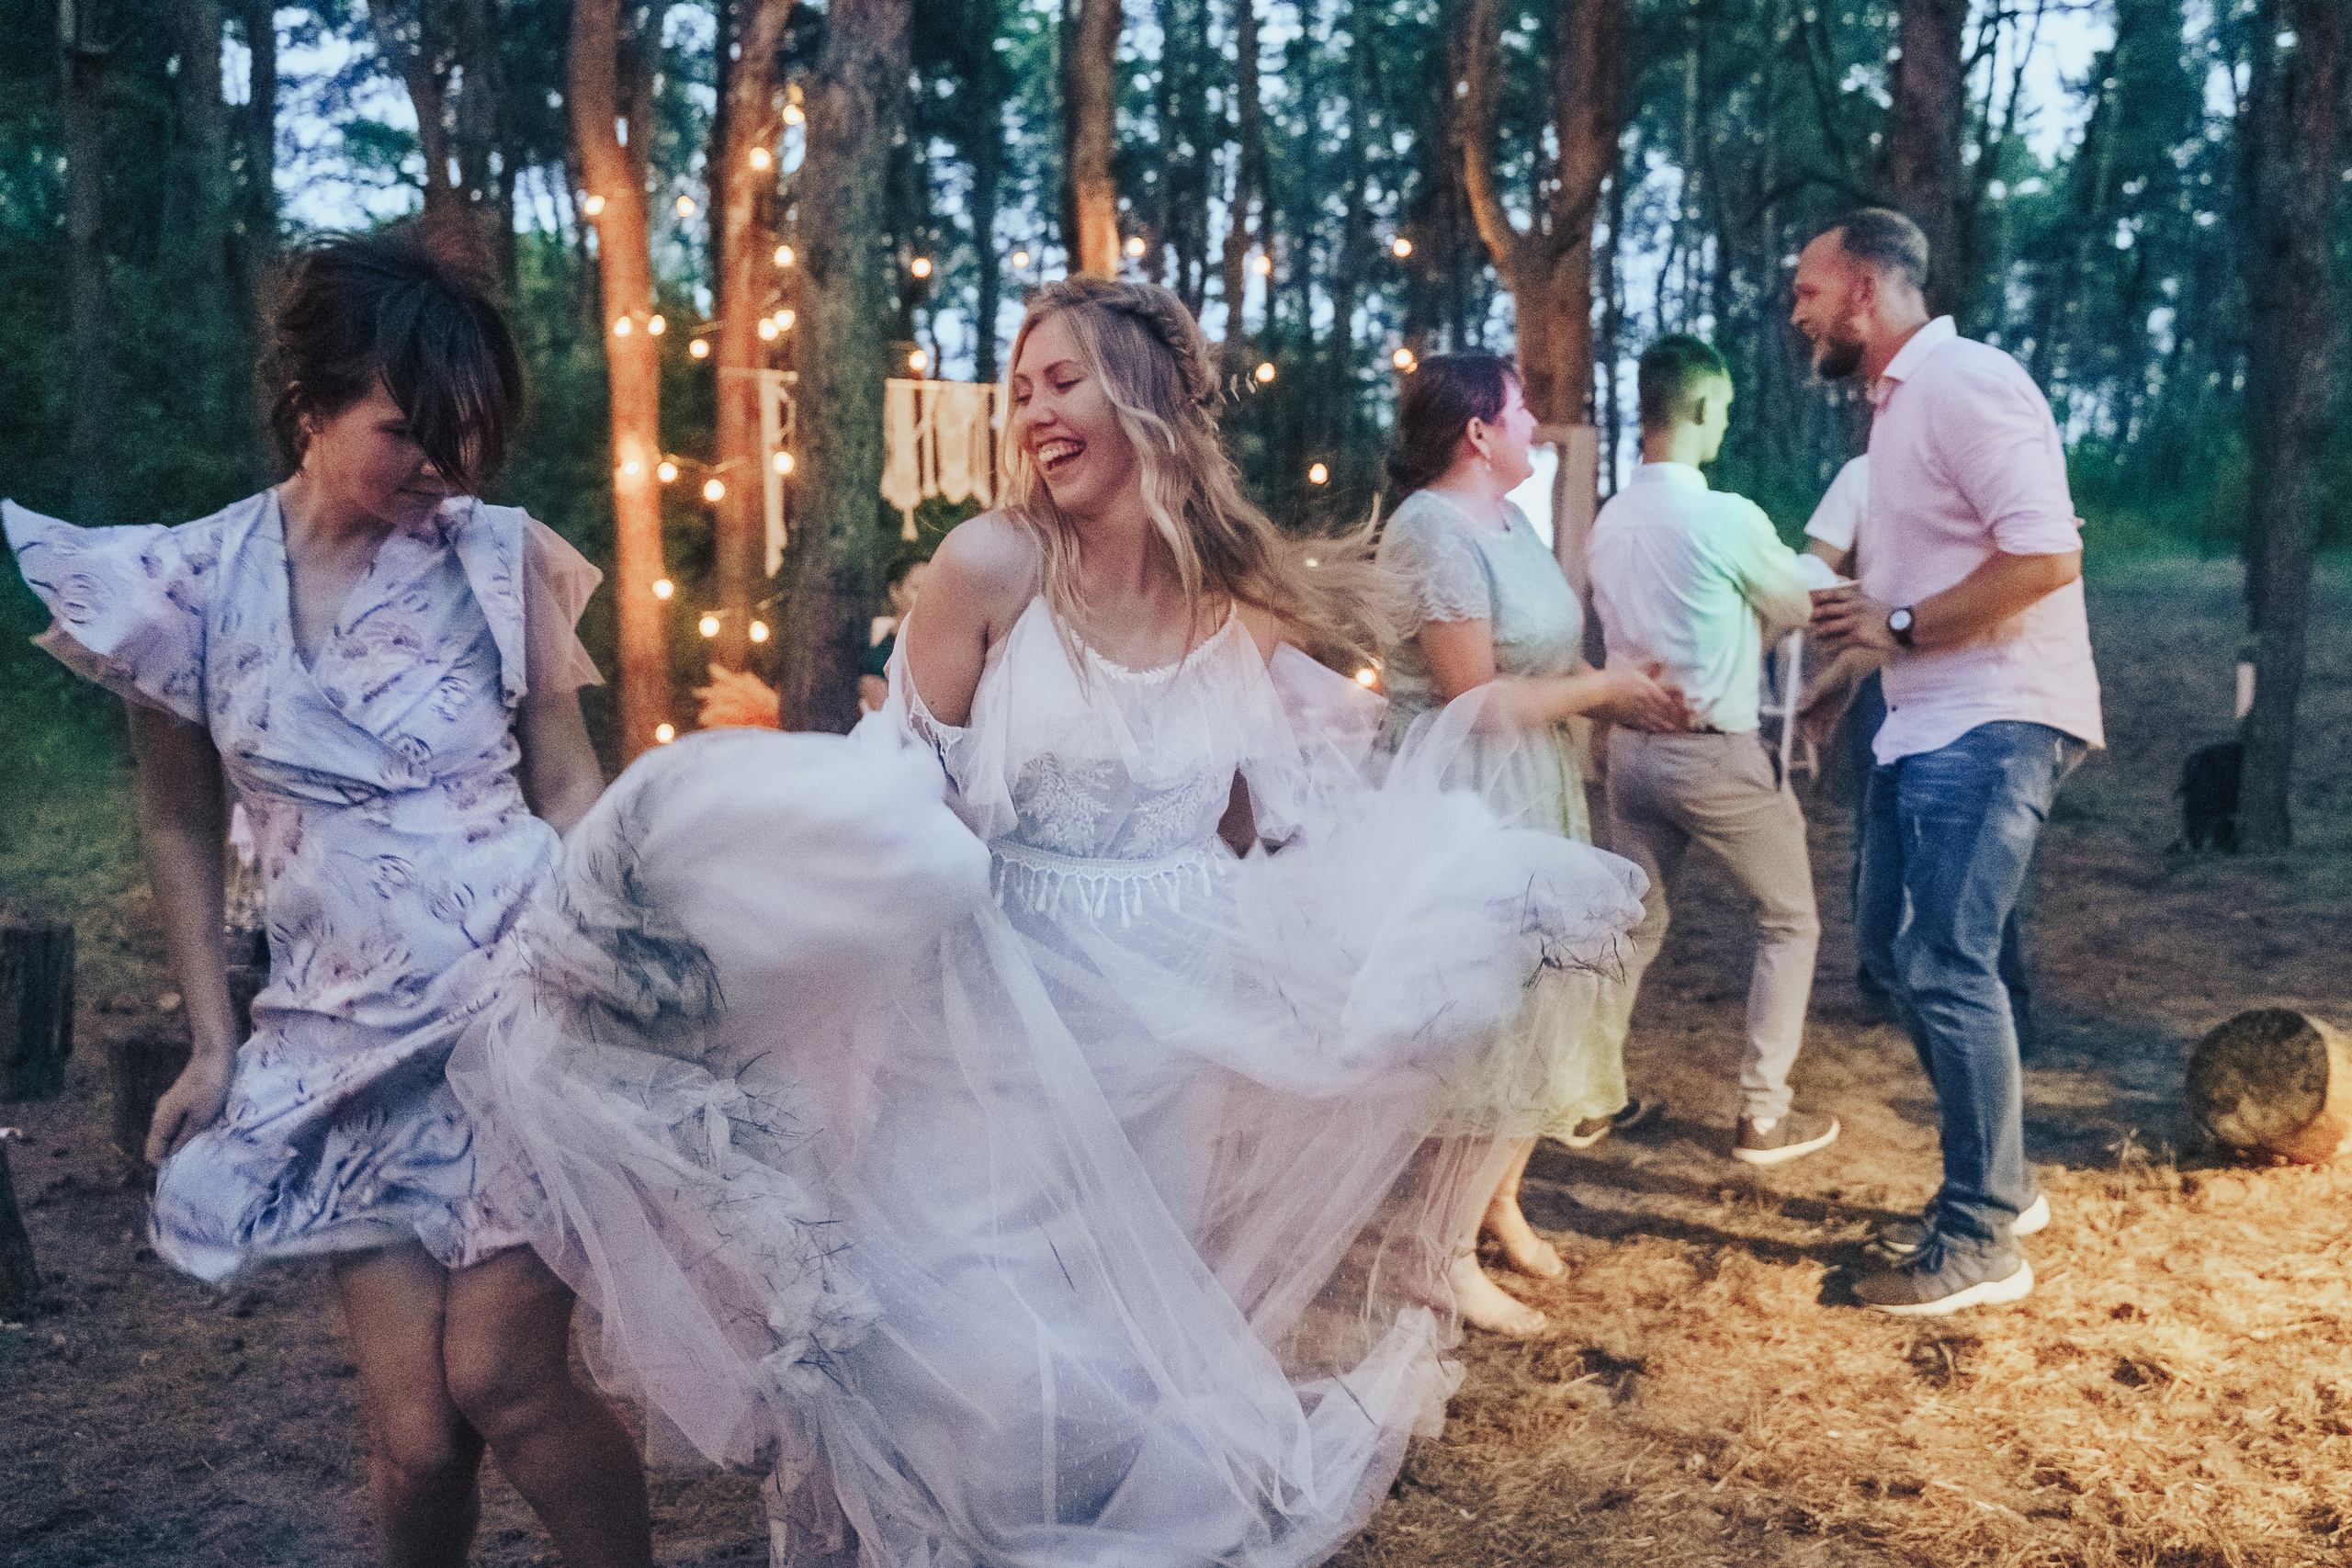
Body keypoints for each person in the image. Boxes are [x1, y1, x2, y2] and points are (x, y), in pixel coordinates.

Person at [450, 279, 1647, 1565]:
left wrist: (1396, 927)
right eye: (1021, 390)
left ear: (1148, 395)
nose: (1033, 412)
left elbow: (1267, 820)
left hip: (1168, 1025)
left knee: (1119, 1342)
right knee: (955, 1332)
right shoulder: (988, 567)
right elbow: (891, 784)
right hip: (987, 1016)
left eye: (1061, 381)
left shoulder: (1239, 594)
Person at [2, 226, 653, 1566]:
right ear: (309, 407)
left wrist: (623, 944)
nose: (446, 470)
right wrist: (212, 1035)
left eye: (470, 437)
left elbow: (572, 783)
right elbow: (179, 814)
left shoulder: (501, 554)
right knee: (413, 1444)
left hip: (518, 1009)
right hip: (340, 1037)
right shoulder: (180, 584)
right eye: (410, 432)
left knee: (508, 1383)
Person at [1795, 208, 2101, 1315]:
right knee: (1887, 956)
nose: (1799, 313)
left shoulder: (1966, 381)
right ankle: (2003, 1187)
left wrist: (1907, 628)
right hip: (1917, 721)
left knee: (1946, 960)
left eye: (1808, 291)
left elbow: (2047, 554)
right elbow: (1894, 597)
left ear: (1866, 289)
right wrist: (1846, 680)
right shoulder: (1896, 411)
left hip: (1996, 717)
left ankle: (1978, 1238)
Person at [1372, 352, 1686, 1337]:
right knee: (1489, 1019)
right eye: (1520, 408)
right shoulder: (1430, 529)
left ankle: (1496, 1202)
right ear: (1475, 432)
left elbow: (1544, 658)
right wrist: (1604, 691)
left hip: (1534, 786)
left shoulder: (1509, 521)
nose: (1533, 423)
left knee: (1548, 998)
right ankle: (1436, 1254)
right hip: (1467, 801)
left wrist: (1628, 689)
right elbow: (1473, 700)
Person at [1586, 334, 1838, 1167]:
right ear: (1697, 408)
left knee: (1634, 924)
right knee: (1790, 917)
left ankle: (1587, 1095)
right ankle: (1763, 1114)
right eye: (1722, 409)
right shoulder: (1725, 517)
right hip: (1713, 758)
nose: (1726, 424)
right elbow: (1799, 601)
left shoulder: (1609, 520)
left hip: (1630, 752)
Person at [857, 553, 933, 713]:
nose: (928, 596)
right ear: (895, 592)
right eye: (917, 588)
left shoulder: (940, 646)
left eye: (934, 589)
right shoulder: (880, 655)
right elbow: (878, 719)